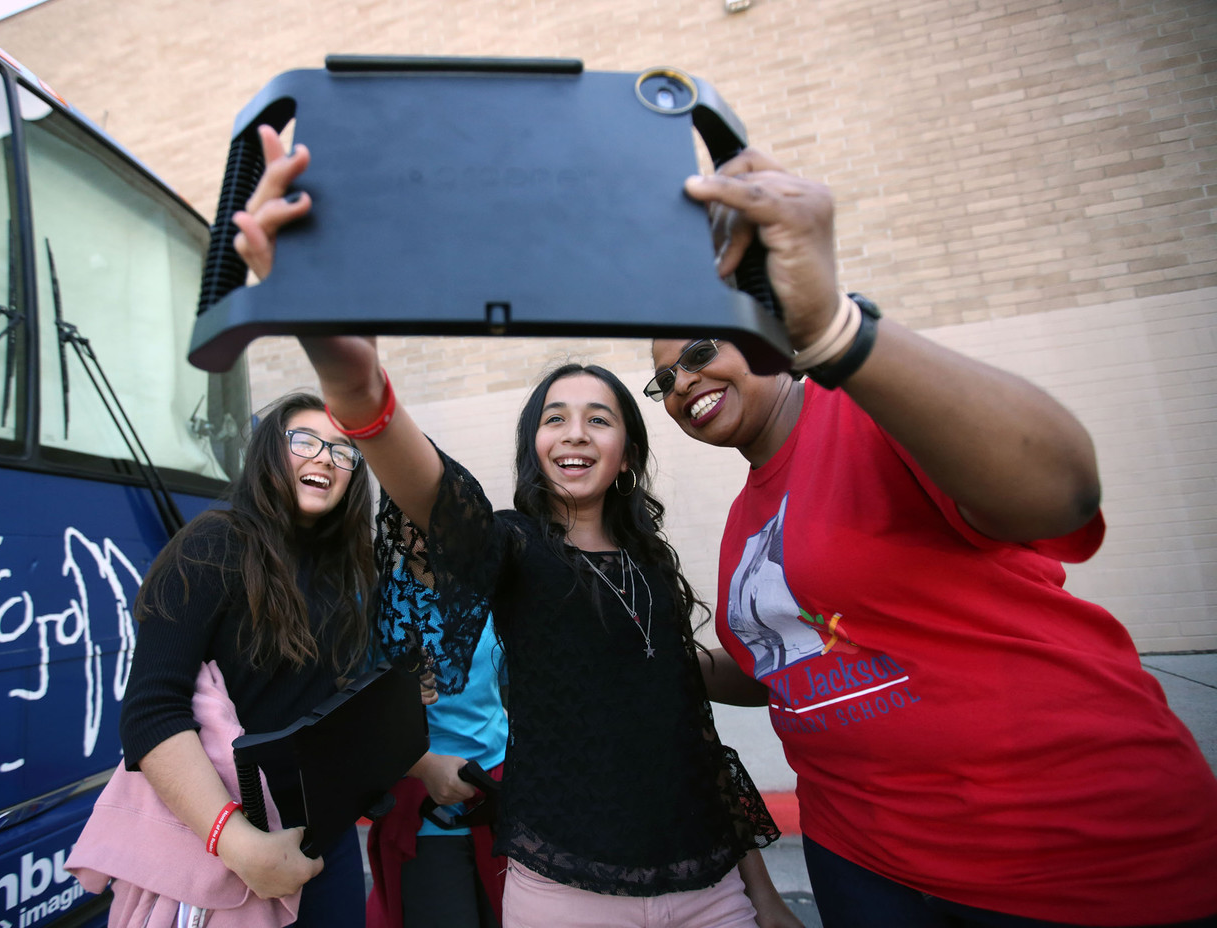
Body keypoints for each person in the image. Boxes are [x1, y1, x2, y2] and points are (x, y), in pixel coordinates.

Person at [231, 124, 805, 928]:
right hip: (563, 894)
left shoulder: (650, 563)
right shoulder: (513, 547)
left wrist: (764, 891)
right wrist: (355, 384)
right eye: (555, 418)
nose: (575, 433)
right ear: (535, 447)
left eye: (599, 418)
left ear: (627, 450)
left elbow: (695, 738)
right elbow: (434, 493)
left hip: (709, 891)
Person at [648, 148, 1217, 927]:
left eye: (700, 352)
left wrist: (840, 333)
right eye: (664, 381)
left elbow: (1062, 491)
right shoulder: (748, 517)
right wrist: (678, 661)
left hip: (1064, 858)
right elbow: (788, 667)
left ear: (764, 337)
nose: (682, 384)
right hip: (863, 862)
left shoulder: (872, 411)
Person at [119, 391, 379, 927]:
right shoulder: (212, 544)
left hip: (323, 841)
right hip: (228, 844)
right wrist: (236, 843)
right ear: (267, 454)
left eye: (342, 451)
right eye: (304, 442)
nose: (324, 458)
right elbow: (149, 713)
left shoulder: (341, 569)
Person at [365, 572, 509, 928]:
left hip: (502, 802)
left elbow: (510, 690)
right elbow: (351, 714)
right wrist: (424, 765)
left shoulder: (494, 592)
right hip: (426, 815)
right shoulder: (375, 601)